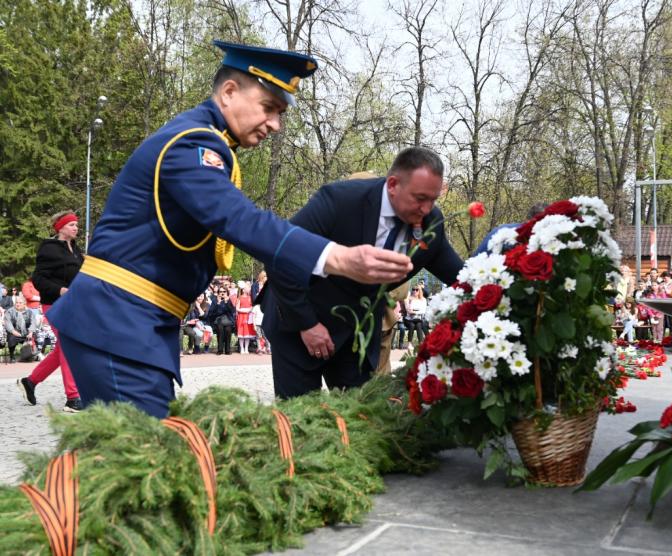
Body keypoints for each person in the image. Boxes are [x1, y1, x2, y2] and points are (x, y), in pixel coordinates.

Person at [46, 41, 412, 419]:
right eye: (269, 108)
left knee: (133, 463)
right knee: (143, 460)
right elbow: (239, 219)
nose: (275, 124)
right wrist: (337, 256)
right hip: (118, 322)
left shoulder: (206, 141)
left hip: (134, 323)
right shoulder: (191, 145)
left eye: (281, 113)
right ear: (229, 92)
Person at [262, 147, 464, 399]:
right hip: (300, 321)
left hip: (355, 338)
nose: (426, 208)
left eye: (433, 199)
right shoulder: (339, 200)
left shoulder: (431, 224)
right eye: (420, 198)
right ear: (393, 185)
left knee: (360, 419)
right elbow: (280, 255)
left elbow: (462, 276)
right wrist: (307, 324)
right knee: (301, 421)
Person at [16, 211, 84, 412]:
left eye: (76, 225)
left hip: (74, 305)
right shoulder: (49, 249)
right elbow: (38, 279)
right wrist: (60, 290)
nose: (76, 228)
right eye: (71, 225)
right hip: (55, 305)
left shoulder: (76, 250)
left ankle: (30, 382)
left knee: (62, 349)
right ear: (61, 227)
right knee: (69, 347)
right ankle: (72, 398)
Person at [4, 297, 36, 362]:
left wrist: (31, 332)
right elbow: (7, 322)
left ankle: (31, 355)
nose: (18, 304)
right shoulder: (9, 311)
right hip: (14, 331)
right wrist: (13, 331)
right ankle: (12, 356)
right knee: (11, 338)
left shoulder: (29, 312)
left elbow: (33, 322)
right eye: (16, 303)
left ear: (24, 304)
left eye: (20, 303)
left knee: (35, 336)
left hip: (26, 331)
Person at [208, 287, 236, 355]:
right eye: (220, 291)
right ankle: (220, 350)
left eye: (224, 291)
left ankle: (227, 350)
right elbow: (211, 313)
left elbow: (232, 311)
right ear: (218, 293)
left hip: (228, 320)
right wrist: (218, 303)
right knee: (220, 329)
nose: (222, 293)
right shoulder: (215, 300)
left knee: (228, 330)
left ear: (227, 293)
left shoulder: (229, 300)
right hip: (218, 320)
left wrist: (226, 302)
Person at [235, 283, 256, 353]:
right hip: (241, 317)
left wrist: (249, 310)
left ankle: (246, 348)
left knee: (247, 334)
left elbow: (252, 307)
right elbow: (237, 308)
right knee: (241, 333)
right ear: (243, 290)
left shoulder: (250, 298)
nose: (249, 289)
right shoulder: (239, 298)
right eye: (247, 288)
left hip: (248, 317)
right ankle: (242, 348)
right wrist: (243, 310)